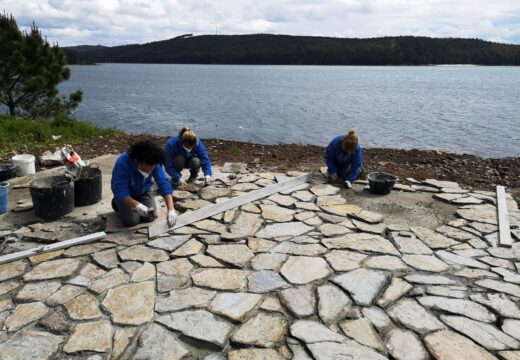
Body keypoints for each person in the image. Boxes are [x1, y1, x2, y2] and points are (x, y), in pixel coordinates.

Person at [111, 141, 177, 228]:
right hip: (127, 194)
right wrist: (136, 205)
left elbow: (163, 182)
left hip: (144, 190)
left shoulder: (154, 160)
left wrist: (171, 209)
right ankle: (116, 203)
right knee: (131, 222)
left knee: (149, 217)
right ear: (137, 161)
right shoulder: (122, 163)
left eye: (151, 169)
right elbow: (119, 189)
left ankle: (136, 203)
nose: (149, 172)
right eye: (146, 169)